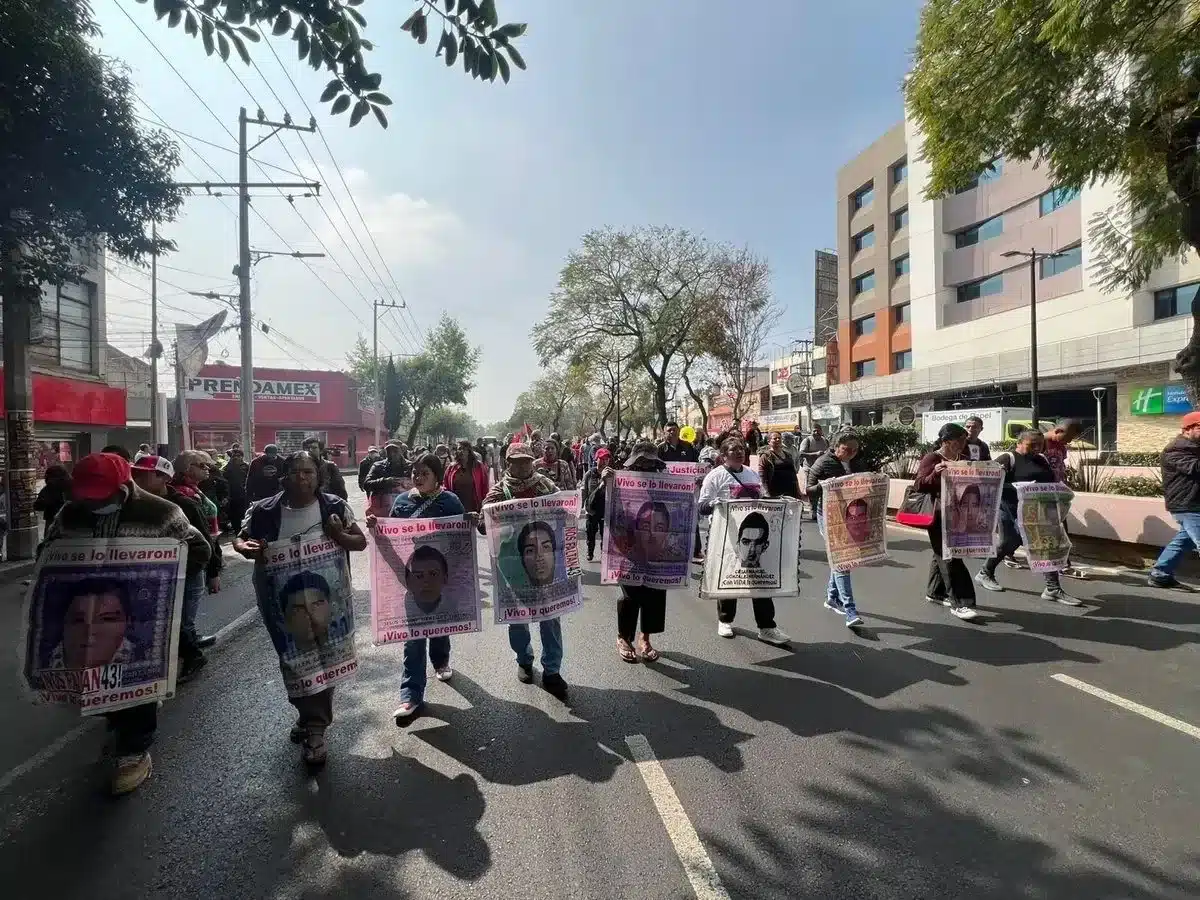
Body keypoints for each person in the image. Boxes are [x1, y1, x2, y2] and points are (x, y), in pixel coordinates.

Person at [41, 452, 210, 794]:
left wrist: (159, 578)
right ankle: (118, 724)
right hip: (88, 613)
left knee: (136, 679)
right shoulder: (70, 513)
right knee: (99, 677)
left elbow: (200, 549)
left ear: (124, 486)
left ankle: (134, 750)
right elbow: (49, 550)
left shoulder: (161, 513)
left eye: (101, 492)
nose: (93, 500)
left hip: (138, 614)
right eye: (86, 492)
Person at [365, 451, 467, 721]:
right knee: (413, 638)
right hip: (413, 576)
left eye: (425, 473)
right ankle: (410, 696)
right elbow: (391, 534)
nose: (418, 478)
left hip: (441, 576)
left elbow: (461, 537)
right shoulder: (401, 502)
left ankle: (441, 659)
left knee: (439, 624)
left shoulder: (450, 502)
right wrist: (376, 525)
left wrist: (471, 522)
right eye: (415, 473)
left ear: (437, 477)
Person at [478, 442, 568, 700]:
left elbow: (564, 512)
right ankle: (524, 659)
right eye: (517, 461)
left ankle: (552, 670)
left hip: (544, 565)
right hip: (513, 565)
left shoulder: (547, 487)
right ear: (508, 464)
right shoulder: (497, 493)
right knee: (518, 616)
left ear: (532, 461)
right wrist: (484, 519)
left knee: (550, 616)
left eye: (526, 460)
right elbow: (485, 527)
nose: (522, 466)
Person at [131, 455, 224, 676]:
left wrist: (209, 572)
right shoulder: (133, 504)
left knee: (180, 621)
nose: (135, 478)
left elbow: (205, 543)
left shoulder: (183, 505)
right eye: (134, 473)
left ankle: (191, 658)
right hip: (149, 574)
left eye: (143, 474)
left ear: (163, 477)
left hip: (186, 573)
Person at [697, 436, 791, 645]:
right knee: (730, 578)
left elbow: (760, 500)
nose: (739, 452)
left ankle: (767, 627)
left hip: (753, 536)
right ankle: (725, 620)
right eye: (733, 450)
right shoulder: (715, 477)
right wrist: (715, 504)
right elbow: (701, 506)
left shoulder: (751, 474)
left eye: (741, 449)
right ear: (723, 455)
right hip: (728, 538)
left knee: (760, 580)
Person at [974, 430, 1082, 605]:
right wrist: (1018, 487)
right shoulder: (1007, 458)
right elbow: (989, 483)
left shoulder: (1042, 459)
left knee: (1009, 543)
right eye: (1033, 444)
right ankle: (1052, 588)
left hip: (1038, 510)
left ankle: (985, 572)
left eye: (1040, 444)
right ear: (1020, 442)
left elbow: (1050, 481)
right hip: (1010, 509)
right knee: (1039, 543)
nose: (1038, 448)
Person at [608, 439, 671, 662]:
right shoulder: (619, 480)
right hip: (628, 546)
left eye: (650, 464)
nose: (645, 468)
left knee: (655, 591)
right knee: (631, 593)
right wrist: (604, 485)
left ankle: (645, 638)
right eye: (641, 464)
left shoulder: (667, 480)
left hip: (656, 548)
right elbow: (596, 507)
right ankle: (624, 637)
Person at [915, 424, 980, 620]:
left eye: (964, 440)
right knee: (950, 555)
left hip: (960, 514)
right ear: (945, 441)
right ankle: (960, 602)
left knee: (940, 553)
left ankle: (934, 592)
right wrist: (935, 472)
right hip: (938, 516)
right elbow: (919, 484)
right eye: (958, 441)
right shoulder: (932, 458)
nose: (962, 444)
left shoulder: (965, 460)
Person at [806, 431, 868, 627]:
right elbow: (808, 490)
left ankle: (832, 597)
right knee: (842, 559)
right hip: (829, 514)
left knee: (839, 558)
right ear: (836, 446)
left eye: (855, 449)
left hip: (851, 514)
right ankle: (850, 610)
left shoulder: (857, 462)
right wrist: (825, 486)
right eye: (847, 449)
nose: (851, 453)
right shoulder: (823, 462)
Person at [1041, 418, 1085, 578]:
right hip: (1040, 495)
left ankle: (1063, 565)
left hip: (1057, 494)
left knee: (1061, 530)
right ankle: (1005, 553)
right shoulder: (1039, 443)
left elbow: (1059, 466)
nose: (1069, 441)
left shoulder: (1061, 446)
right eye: (1068, 437)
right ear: (1058, 431)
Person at [364, 442, 413, 513]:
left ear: (402, 451)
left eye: (395, 451)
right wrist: (385, 481)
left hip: (406, 507)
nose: (392, 454)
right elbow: (366, 484)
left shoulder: (411, 466)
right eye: (389, 451)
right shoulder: (378, 466)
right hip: (383, 508)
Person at [581, 447, 611, 561]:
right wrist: (582, 507)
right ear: (596, 459)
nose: (604, 461)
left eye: (607, 459)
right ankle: (590, 552)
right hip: (591, 509)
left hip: (605, 510)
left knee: (605, 535)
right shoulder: (589, 474)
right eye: (602, 458)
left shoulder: (611, 474)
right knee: (590, 533)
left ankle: (604, 555)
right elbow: (584, 490)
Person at [444, 439, 489, 515]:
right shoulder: (451, 467)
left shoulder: (478, 466)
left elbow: (485, 487)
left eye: (464, 449)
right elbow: (445, 486)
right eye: (459, 449)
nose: (461, 451)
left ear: (469, 451)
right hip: (456, 507)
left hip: (474, 507)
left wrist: (484, 505)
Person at [797, 425, 830, 521]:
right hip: (810, 469)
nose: (816, 433)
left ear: (821, 431)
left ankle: (821, 510)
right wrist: (815, 454)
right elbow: (801, 453)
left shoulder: (825, 441)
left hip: (823, 469)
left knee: (823, 490)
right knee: (812, 491)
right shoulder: (807, 440)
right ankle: (813, 510)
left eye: (818, 431)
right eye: (814, 431)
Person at [759, 431, 801, 500]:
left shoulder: (788, 455)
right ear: (769, 441)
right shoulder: (766, 456)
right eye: (775, 438)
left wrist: (798, 491)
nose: (778, 440)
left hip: (791, 492)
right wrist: (767, 493)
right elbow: (762, 477)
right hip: (775, 493)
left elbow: (793, 475)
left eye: (779, 438)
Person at [35, 465, 72, 539]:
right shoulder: (71, 487)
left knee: (51, 546)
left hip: (52, 522)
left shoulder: (49, 488)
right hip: (70, 523)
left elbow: (38, 506)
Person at [224, 445, 250, 534]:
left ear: (242, 457)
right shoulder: (229, 467)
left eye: (238, 456)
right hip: (232, 496)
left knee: (244, 515)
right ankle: (237, 533)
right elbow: (225, 477)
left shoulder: (247, 466)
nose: (236, 458)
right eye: (234, 456)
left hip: (244, 495)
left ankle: (245, 533)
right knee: (234, 517)